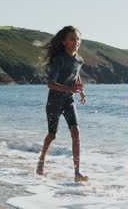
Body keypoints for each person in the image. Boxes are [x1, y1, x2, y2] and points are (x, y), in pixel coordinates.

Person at [35, 25, 88, 183]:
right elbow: (50, 84)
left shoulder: (79, 60)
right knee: (52, 135)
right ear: (64, 42)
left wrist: (81, 90)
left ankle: (77, 172)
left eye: (78, 39)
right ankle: (41, 160)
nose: (76, 42)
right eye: (72, 39)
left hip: (69, 100)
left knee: (76, 132)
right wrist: (69, 88)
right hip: (54, 101)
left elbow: (76, 75)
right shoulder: (60, 59)